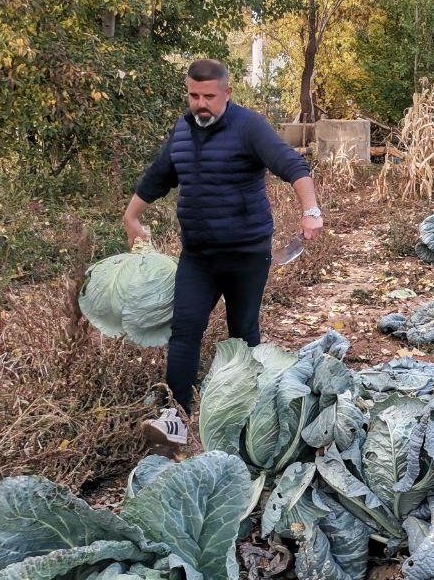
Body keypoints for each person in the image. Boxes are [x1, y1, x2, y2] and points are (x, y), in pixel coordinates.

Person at [123, 58, 323, 445]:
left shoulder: (249, 126)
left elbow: (292, 165)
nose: (201, 104)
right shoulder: (183, 129)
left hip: (247, 254)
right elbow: (158, 176)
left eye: (209, 97)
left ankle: (246, 417)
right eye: (194, 95)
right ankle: (175, 419)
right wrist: (131, 217)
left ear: (227, 94)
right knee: (184, 331)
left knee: (242, 333)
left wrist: (311, 210)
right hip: (198, 256)